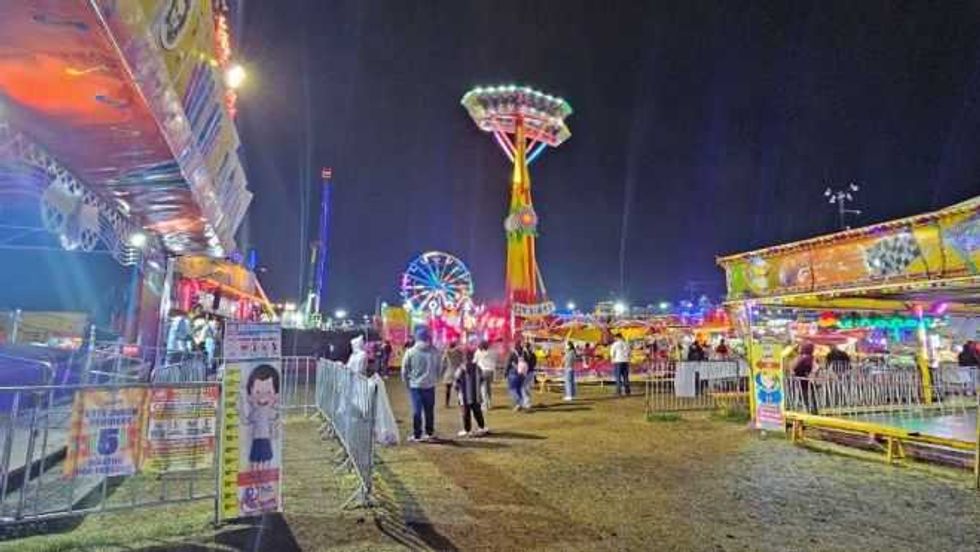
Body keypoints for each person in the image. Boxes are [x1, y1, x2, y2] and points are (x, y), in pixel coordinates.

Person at [401, 326, 441, 442]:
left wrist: (407, 383)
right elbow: (439, 367)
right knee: (429, 410)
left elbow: (404, 370)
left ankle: (417, 435)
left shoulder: (410, 352)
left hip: (415, 386)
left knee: (417, 411)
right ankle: (429, 432)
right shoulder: (434, 351)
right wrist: (435, 379)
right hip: (430, 385)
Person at [454, 351, 488, 437]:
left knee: (466, 413)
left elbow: (456, 382)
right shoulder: (477, 368)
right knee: (477, 412)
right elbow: (483, 379)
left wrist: (458, 391)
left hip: (464, 396)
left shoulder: (461, 369)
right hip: (475, 395)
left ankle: (467, 430)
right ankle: (482, 427)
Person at [793, 342, 817, 413]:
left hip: (801, 381)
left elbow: (794, 369)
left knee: (804, 397)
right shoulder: (809, 358)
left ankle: (809, 411)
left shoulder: (800, 358)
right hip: (807, 381)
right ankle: (812, 411)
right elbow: (813, 369)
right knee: (810, 397)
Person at [441, 341, 465, 408]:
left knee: (448, 389)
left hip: (449, 372)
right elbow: (462, 361)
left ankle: (447, 403)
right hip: (458, 371)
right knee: (459, 389)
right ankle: (460, 402)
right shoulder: (459, 352)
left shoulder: (447, 352)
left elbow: (443, 361)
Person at [473, 340, 496, 409]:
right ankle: (489, 403)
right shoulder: (492, 352)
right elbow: (494, 360)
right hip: (491, 371)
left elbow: (474, 361)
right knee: (488, 388)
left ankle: (485, 405)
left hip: (483, 371)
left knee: (483, 388)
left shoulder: (478, 352)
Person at [505, 342, 527, 411]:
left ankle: (518, 403)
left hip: (513, 372)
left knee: (512, 389)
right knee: (518, 389)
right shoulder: (524, 353)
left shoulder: (512, 353)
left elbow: (508, 363)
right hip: (522, 373)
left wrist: (505, 372)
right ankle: (520, 403)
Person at [521, 340, 538, 408]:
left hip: (527, 372)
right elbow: (534, 363)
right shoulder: (532, 354)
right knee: (525, 388)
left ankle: (527, 402)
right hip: (529, 372)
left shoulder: (524, 354)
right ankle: (526, 402)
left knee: (525, 388)